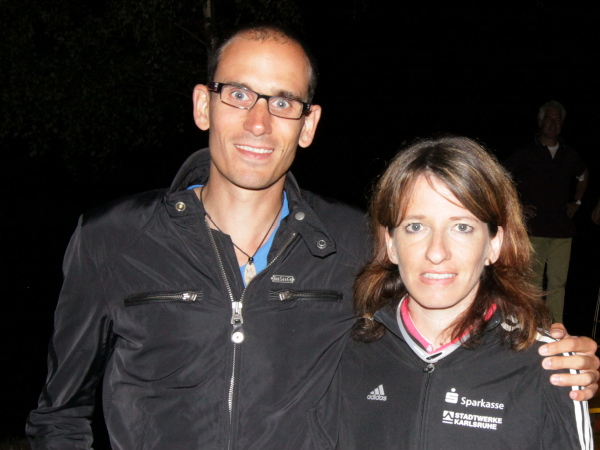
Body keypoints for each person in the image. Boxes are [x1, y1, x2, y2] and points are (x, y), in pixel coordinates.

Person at [27, 26, 598, 449]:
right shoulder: (114, 239)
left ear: (309, 124)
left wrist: (550, 351)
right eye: (238, 94)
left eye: (283, 102)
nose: (258, 122)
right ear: (204, 105)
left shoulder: (352, 243)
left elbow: (444, 287)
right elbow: (59, 416)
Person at [320, 136, 594, 449]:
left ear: (494, 244)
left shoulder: (548, 367)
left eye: (461, 227)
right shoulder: (342, 352)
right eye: (416, 226)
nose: (437, 252)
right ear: (390, 243)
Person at [505, 101, 589, 323]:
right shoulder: (526, 152)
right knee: (532, 284)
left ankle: (554, 330)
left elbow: (583, 175)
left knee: (558, 284)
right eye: (550, 119)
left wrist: (577, 202)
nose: (554, 124)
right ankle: (531, 328)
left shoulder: (569, 154)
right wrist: (517, 207)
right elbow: (502, 177)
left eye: (558, 120)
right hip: (534, 229)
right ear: (541, 122)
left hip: (562, 230)